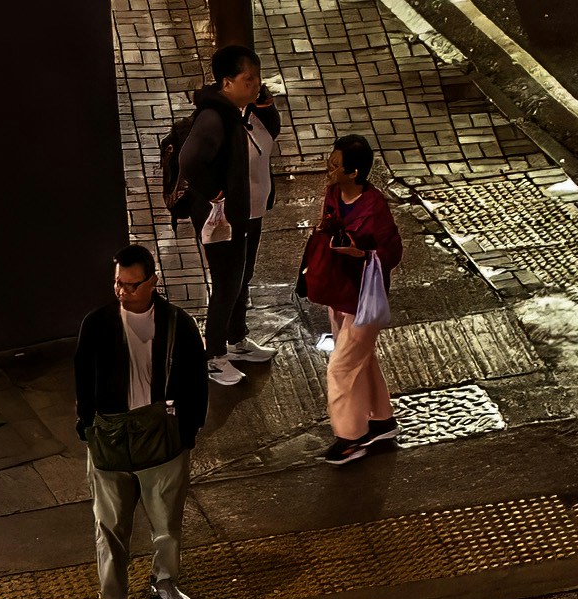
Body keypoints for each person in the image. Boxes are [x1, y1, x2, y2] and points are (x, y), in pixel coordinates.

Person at [73, 243, 209, 599]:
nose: (122, 292)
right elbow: (82, 378)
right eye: (118, 283)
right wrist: (87, 426)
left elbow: (197, 382)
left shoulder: (177, 324)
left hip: (163, 440)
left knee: (167, 524)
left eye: (132, 285)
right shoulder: (96, 324)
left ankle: (165, 585)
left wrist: (189, 432)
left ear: (153, 282)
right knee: (109, 526)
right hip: (111, 439)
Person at [166, 45, 282, 387]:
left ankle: (237, 340)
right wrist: (216, 193)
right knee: (227, 281)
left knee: (242, 276)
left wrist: (266, 105)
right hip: (225, 216)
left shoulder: (246, 109)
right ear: (227, 82)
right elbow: (190, 162)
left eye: (259, 76)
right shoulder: (214, 117)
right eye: (249, 79)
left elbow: (269, 135)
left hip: (251, 211)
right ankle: (214, 355)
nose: (256, 84)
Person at [301, 134, 402, 465]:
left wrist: (361, 252)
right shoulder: (333, 194)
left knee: (342, 367)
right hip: (339, 290)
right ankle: (381, 420)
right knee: (362, 360)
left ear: (354, 172)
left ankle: (350, 438)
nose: (328, 170)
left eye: (334, 165)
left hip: (365, 298)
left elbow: (392, 252)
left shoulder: (375, 209)